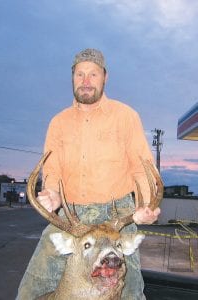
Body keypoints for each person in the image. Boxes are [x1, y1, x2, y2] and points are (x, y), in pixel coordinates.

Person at [16, 48, 160, 300]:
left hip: (117, 217)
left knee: (131, 289)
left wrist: (146, 205)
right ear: (72, 77)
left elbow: (141, 167)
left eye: (92, 74)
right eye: (80, 74)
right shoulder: (58, 122)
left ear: (105, 77)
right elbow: (52, 169)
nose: (86, 81)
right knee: (32, 286)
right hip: (72, 217)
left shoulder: (125, 116)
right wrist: (51, 195)